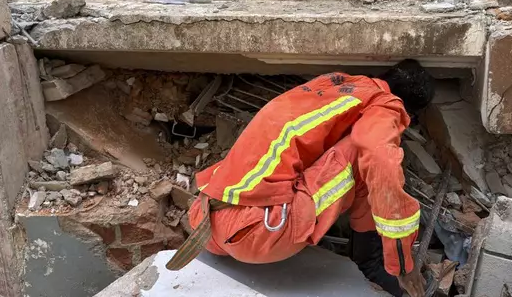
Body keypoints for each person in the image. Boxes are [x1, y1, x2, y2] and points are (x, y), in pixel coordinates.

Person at [167, 60, 435, 297]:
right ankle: (372, 264)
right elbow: (380, 162)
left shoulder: (333, 84)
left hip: (207, 221)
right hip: (261, 233)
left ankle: (368, 258)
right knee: (366, 153)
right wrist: (402, 264)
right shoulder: (387, 104)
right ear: (408, 112)